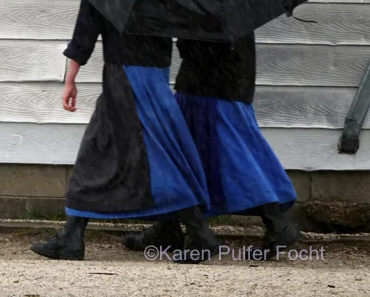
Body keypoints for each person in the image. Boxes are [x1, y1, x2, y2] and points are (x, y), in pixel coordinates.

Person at [29, 0, 218, 263]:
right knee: (156, 152)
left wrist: (70, 78)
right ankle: (182, 230)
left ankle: (198, 233)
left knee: (105, 150)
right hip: (156, 71)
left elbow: (86, 27)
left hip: (126, 74)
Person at [121, 34, 300, 257]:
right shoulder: (231, 13)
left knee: (232, 157)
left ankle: (277, 223)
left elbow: (195, 43)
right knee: (180, 155)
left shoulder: (210, 14)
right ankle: (168, 226)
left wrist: (181, 37)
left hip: (212, 85)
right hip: (219, 80)